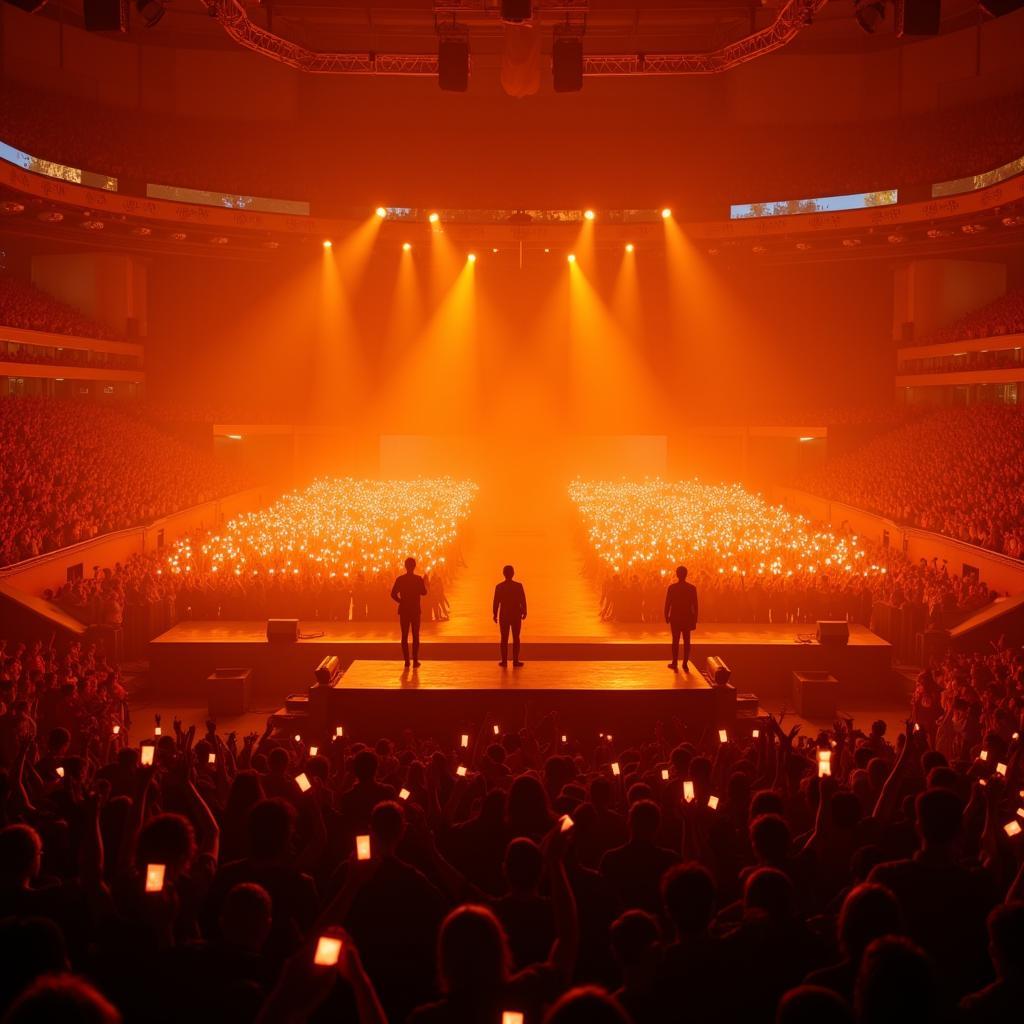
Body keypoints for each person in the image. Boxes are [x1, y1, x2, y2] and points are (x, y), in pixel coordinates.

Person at [391, 556, 428, 668]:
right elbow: (424, 593)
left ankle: (407, 661)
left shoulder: (400, 579)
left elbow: (393, 594)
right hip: (415, 610)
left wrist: (401, 601)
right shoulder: (418, 579)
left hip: (404, 610)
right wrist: (425, 582)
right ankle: (415, 660)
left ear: (405, 566)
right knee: (416, 636)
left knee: (404, 636)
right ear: (414, 566)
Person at [664, 565, 698, 671]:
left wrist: (666, 615)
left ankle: (675, 662)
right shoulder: (692, 588)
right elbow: (695, 605)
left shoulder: (672, 588)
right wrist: (695, 619)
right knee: (687, 641)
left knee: (675, 640)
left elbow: (667, 603)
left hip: (675, 617)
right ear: (686, 575)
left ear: (677, 574)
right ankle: (685, 663)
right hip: (687, 617)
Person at [493, 565, 528, 668]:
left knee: (504, 638)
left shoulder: (499, 587)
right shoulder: (518, 586)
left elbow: (496, 602)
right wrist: (525, 611)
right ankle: (515, 660)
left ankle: (504, 661)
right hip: (516, 614)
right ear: (513, 573)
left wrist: (495, 614)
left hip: (504, 615)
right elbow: (523, 600)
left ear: (503, 574)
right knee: (516, 638)